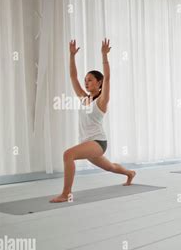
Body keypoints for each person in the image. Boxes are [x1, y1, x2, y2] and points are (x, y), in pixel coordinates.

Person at [51, 39, 135, 203]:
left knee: (68, 155)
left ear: (99, 82)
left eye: (90, 80)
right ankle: (130, 173)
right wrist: (72, 55)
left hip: (98, 142)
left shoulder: (101, 101)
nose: (86, 82)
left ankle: (66, 194)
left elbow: (108, 78)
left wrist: (104, 56)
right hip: (88, 144)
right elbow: (73, 76)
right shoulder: (84, 98)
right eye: (86, 80)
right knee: (110, 167)